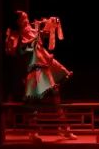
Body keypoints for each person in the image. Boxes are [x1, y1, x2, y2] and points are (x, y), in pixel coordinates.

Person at [5, 10, 75, 141]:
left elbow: (43, 37)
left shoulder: (31, 30)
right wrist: (36, 34)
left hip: (45, 63)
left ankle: (63, 128)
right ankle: (34, 131)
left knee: (55, 95)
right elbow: (19, 51)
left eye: (26, 17)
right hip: (34, 67)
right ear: (18, 22)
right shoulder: (16, 35)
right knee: (36, 99)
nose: (27, 20)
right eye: (24, 18)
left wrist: (50, 24)